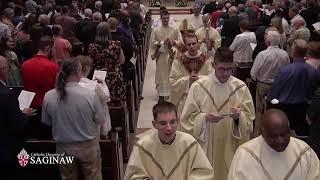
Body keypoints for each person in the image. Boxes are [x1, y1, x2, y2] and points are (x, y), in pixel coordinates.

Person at [180, 47, 255, 180]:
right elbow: (186, 120)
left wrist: (239, 118)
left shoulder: (240, 87)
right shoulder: (199, 86)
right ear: (213, 65)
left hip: (230, 143)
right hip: (207, 144)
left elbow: (249, 119)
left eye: (229, 69)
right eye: (221, 69)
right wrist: (204, 118)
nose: (225, 73)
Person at [42, 58, 106, 180]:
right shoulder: (89, 95)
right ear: (78, 72)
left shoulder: (49, 96)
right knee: (93, 177)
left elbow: (47, 122)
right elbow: (100, 120)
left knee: (67, 177)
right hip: (88, 146)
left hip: (63, 147)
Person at [124, 101, 214, 179]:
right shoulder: (143, 146)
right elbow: (133, 175)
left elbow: (204, 172)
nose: (169, 128)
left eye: (172, 122)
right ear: (154, 124)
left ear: (177, 121)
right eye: (163, 123)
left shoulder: (189, 143)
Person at [228, 109, 320, 179]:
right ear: (262, 133)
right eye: (274, 136)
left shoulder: (305, 152)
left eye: (284, 135)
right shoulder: (245, 154)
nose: (280, 141)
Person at [267, 39, 319, 136]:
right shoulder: (314, 71)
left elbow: (273, 93)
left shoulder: (286, 70)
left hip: (285, 111)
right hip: (304, 111)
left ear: (293, 52)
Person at [251, 30, 290, 137]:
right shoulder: (285, 54)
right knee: (276, 110)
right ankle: (274, 132)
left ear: (267, 42)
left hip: (263, 85)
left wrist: (256, 79)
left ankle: (258, 134)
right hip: (279, 86)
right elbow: (287, 70)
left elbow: (253, 73)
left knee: (259, 111)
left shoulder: (262, 54)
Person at [0, 55, 33, 179]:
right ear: (3, 70)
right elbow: (16, 124)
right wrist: (24, 115)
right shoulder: (8, 95)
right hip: (6, 151)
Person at [169, 33, 213, 118]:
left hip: (202, 99)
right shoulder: (179, 60)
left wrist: (199, 78)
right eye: (189, 44)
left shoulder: (206, 59)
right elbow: (173, 81)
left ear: (198, 44)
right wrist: (188, 80)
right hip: (185, 100)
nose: (192, 46)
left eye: (194, 43)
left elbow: (212, 78)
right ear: (185, 45)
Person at [88, 22, 126, 105]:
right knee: (116, 102)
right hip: (114, 77)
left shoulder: (92, 47)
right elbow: (122, 61)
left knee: (100, 103)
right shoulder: (116, 44)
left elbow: (90, 64)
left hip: (99, 77)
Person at [150, 10, 182, 101]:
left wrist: (173, 43)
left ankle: (172, 92)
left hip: (172, 56)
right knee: (161, 74)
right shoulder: (156, 30)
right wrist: (163, 43)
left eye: (167, 18)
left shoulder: (174, 29)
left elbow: (179, 41)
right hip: (162, 56)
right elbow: (152, 44)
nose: (166, 20)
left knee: (171, 74)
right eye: (164, 18)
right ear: (161, 18)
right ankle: (161, 95)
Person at [78, 55, 111, 137]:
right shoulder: (94, 85)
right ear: (87, 68)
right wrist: (103, 84)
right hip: (94, 124)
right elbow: (105, 97)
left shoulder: (72, 85)